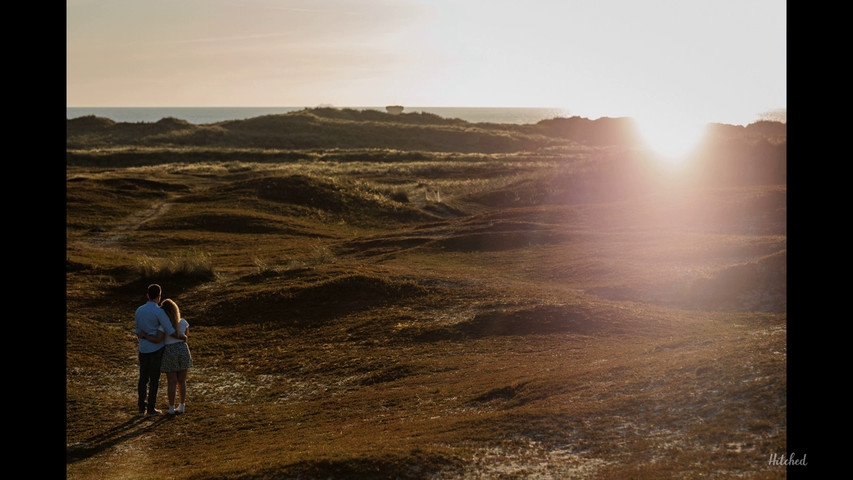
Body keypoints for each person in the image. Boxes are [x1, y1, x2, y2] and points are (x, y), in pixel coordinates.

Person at [134, 284, 177, 417]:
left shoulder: (139, 310)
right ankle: (151, 408)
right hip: (156, 349)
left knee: (143, 378)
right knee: (154, 380)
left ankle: (141, 407)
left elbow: (137, 331)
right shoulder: (159, 312)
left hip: (143, 348)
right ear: (159, 296)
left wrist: (144, 336)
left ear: (147, 295)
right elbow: (169, 330)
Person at [158, 298, 193, 415]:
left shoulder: (163, 325)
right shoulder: (183, 322)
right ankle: (182, 405)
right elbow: (187, 336)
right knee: (182, 381)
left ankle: (171, 408)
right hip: (182, 349)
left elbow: (160, 339)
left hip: (170, 351)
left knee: (171, 381)